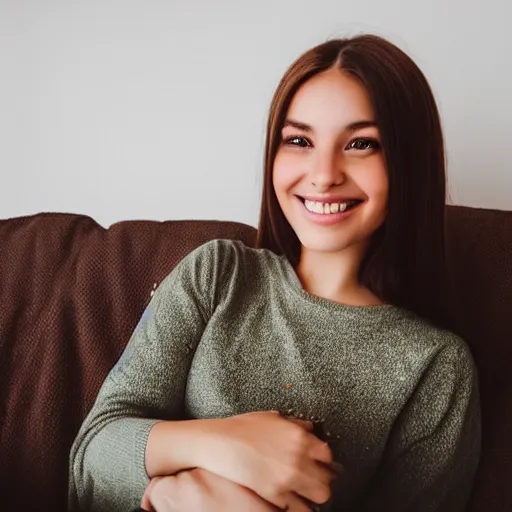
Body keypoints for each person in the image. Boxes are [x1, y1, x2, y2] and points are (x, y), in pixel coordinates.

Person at [68, 34, 481, 512]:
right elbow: (92, 458)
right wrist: (216, 454)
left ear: (408, 163)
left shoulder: (436, 368)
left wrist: (211, 496)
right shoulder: (218, 274)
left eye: (361, 143)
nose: (323, 173)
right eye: (299, 140)